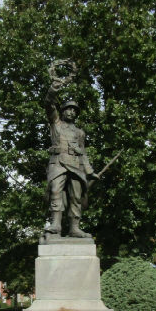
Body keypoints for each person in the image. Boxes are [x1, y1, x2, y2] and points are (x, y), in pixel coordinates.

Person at [44, 94, 98, 238]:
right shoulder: (56, 123)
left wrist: (90, 171)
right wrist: (54, 88)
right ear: (62, 111)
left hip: (76, 165)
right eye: (69, 109)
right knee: (55, 191)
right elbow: (49, 103)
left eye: (74, 110)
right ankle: (56, 224)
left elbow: (83, 153)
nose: (72, 112)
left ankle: (75, 228)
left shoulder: (80, 133)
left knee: (76, 196)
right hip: (58, 163)